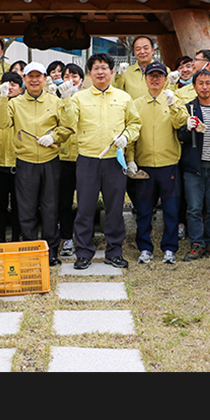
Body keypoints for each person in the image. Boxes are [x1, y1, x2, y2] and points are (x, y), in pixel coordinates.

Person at [61, 52, 141, 270]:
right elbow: (69, 123)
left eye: (104, 67)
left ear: (111, 72)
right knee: (85, 207)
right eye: (95, 68)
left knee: (114, 208)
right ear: (89, 73)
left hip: (114, 160)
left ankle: (114, 251)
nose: (100, 71)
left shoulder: (123, 97)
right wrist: (67, 100)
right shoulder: (79, 97)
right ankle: (84, 252)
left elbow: (135, 124)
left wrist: (126, 136)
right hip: (87, 159)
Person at [0, 62, 71, 266]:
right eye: (30, 76)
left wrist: (53, 136)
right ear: (25, 80)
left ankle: (51, 250)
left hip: (50, 160)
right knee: (27, 208)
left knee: (50, 207)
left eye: (39, 76)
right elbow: (1, 123)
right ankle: (30, 249)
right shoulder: (15, 103)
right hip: (25, 161)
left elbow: (67, 126)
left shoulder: (55, 101)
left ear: (45, 79)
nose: (35, 80)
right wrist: (3, 99)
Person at [126, 61, 188, 264]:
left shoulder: (173, 100)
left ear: (164, 79)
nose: (155, 79)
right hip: (143, 165)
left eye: (159, 76)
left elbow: (182, 123)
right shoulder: (136, 104)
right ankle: (145, 247)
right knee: (144, 209)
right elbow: (131, 134)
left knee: (171, 209)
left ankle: (169, 248)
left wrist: (172, 105)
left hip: (168, 163)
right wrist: (130, 160)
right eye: (151, 75)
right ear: (145, 79)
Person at [178, 68, 210, 261]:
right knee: (194, 208)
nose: (205, 87)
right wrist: (187, 127)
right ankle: (197, 243)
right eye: (200, 83)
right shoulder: (188, 108)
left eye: (208, 83)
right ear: (194, 86)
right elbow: (181, 136)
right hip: (194, 169)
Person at [0, 72, 22, 243]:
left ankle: (16, 238)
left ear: (20, 88)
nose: (9, 87)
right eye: (5, 84)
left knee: (18, 205)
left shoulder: (23, 104)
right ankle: (0, 238)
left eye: (13, 84)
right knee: (0, 205)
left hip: (18, 163)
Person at [57, 63, 84, 257]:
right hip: (63, 157)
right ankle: (66, 238)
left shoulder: (87, 98)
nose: (71, 80)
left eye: (74, 76)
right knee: (63, 201)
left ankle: (84, 238)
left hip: (85, 157)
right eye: (67, 76)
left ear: (81, 79)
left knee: (85, 201)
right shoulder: (56, 100)